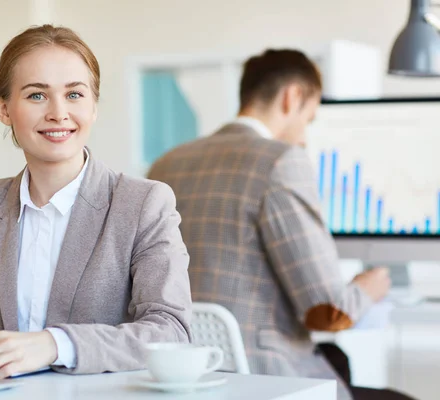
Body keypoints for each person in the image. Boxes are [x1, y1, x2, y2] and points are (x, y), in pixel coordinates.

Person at [0, 24, 192, 378]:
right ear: (3, 108)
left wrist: (55, 344)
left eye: (74, 95)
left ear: (93, 107)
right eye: (36, 95)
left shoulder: (143, 204)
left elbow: (171, 330)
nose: (58, 113)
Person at [148, 49, 414, 400]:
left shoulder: (166, 165)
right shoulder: (281, 161)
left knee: (339, 362)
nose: (304, 137)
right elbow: (326, 312)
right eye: (309, 119)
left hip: (190, 378)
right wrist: (369, 287)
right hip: (268, 379)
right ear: (292, 97)